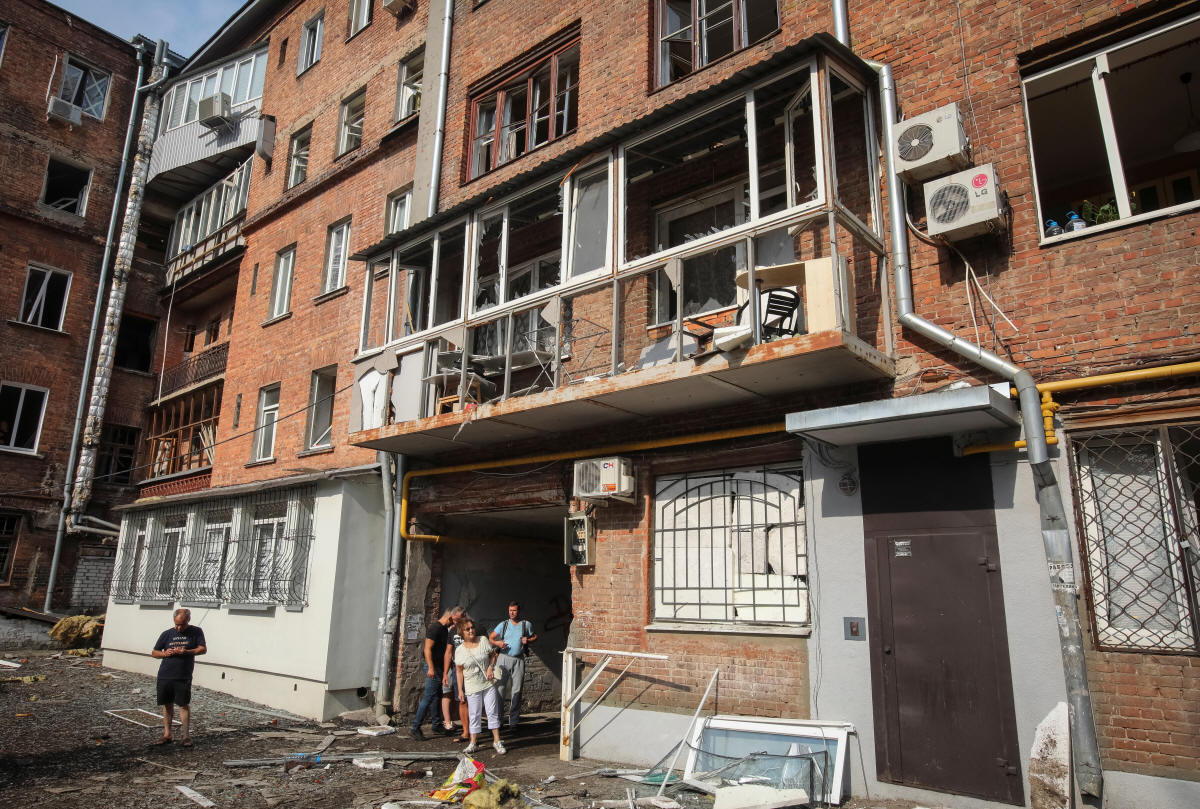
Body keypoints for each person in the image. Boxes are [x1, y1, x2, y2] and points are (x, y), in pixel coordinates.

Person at [150, 608, 206, 747]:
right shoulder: (167, 634)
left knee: (183, 704)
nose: (179, 628)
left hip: (183, 674)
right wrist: (165, 653)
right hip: (165, 673)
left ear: (188, 620)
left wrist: (186, 651)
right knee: (167, 703)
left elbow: (202, 649)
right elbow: (154, 652)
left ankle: (186, 736)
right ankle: (167, 734)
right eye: (177, 624)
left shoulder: (196, 631)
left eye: (182, 624)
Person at [410, 606, 462, 741]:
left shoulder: (444, 629)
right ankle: (415, 728)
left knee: (437, 696)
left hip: (439, 668)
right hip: (433, 667)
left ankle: (436, 725)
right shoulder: (435, 628)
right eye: (456, 620)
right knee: (428, 697)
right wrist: (431, 668)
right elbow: (427, 649)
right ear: (450, 617)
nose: (456, 624)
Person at [454, 619, 506, 754]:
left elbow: (493, 655)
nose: (471, 630)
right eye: (467, 629)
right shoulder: (459, 650)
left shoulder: (483, 640)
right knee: (474, 714)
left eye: (472, 627)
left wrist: (490, 667)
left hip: (488, 683)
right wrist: (460, 690)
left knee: (492, 712)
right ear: (462, 632)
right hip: (472, 685)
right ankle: (473, 743)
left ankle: (497, 741)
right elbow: (459, 671)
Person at [489, 601, 537, 729]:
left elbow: (535, 636)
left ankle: (513, 721)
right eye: (510, 610)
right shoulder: (503, 624)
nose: (511, 613)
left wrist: (528, 640)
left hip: (519, 659)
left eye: (514, 610)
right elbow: (491, 637)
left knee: (517, 690)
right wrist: (498, 643)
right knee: (500, 689)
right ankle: (499, 720)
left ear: (518, 611)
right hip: (503, 658)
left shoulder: (526, 624)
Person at [445, 612, 472, 742]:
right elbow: (448, 652)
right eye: (453, 620)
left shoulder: (474, 628)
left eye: (457, 620)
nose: (455, 622)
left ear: (464, 615)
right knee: (462, 700)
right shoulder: (452, 631)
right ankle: (466, 732)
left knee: (474, 701)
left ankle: (474, 730)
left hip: (472, 669)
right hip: (458, 669)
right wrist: (445, 673)